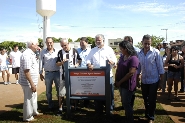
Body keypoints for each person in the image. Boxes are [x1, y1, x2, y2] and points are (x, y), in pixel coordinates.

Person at [86, 34, 117, 115]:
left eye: (99, 40)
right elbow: (88, 59)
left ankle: (109, 109)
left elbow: (114, 59)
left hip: (107, 75)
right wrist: (89, 64)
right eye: (96, 40)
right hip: (96, 76)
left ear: (103, 40)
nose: (98, 42)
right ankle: (98, 109)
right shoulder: (93, 50)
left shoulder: (109, 49)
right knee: (97, 93)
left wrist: (113, 62)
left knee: (109, 93)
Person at [137, 34, 164, 123]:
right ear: (142, 43)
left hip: (154, 80)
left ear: (151, 43)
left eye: (149, 44)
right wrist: (138, 78)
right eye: (145, 43)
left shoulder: (155, 52)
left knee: (152, 100)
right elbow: (139, 67)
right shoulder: (139, 53)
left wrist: (161, 82)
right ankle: (147, 115)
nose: (147, 46)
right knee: (145, 99)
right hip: (144, 80)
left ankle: (151, 117)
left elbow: (160, 67)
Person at [19, 39, 42, 122]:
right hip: (28, 82)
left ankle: (34, 111)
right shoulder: (26, 55)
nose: (38, 46)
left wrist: (38, 52)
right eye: (37, 44)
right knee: (28, 99)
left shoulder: (31, 53)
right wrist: (31, 84)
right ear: (32, 44)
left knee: (33, 97)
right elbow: (26, 71)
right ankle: (27, 117)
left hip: (32, 81)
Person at [115, 41, 139, 123]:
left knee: (126, 103)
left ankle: (130, 120)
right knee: (124, 102)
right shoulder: (122, 56)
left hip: (128, 85)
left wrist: (120, 82)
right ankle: (127, 117)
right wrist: (116, 80)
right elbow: (118, 68)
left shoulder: (134, 58)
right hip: (121, 84)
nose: (120, 50)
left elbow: (130, 73)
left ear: (126, 49)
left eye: (121, 48)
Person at [56, 38, 82, 112]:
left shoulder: (74, 51)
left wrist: (77, 64)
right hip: (63, 76)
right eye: (62, 46)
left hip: (73, 75)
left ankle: (75, 106)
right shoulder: (60, 52)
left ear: (68, 43)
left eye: (65, 45)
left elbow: (80, 59)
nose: (64, 47)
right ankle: (60, 108)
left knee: (74, 91)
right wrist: (62, 63)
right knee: (61, 93)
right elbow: (57, 63)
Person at [39, 37, 60, 110]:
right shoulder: (43, 52)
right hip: (48, 74)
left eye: (50, 42)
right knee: (48, 91)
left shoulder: (58, 51)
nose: (49, 44)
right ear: (46, 43)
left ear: (53, 42)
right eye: (48, 42)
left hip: (57, 73)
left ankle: (59, 105)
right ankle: (50, 105)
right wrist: (40, 72)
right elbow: (41, 62)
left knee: (59, 90)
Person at [76, 37, 91, 107]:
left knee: (87, 86)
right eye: (80, 43)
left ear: (87, 43)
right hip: (78, 71)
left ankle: (86, 101)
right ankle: (77, 100)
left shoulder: (90, 51)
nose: (81, 44)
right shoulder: (76, 50)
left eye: (83, 43)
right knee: (78, 86)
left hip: (87, 71)